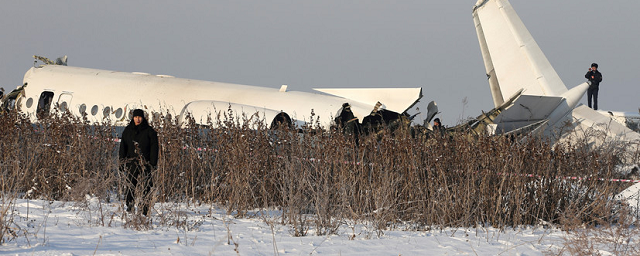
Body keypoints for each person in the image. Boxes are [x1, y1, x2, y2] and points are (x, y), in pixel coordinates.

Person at [119, 109, 159, 216]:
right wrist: (122, 162)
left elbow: (154, 148)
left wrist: (152, 164)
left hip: (146, 163)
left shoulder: (149, 131)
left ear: (143, 118)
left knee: (147, 186)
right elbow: (123, 147)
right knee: (130, 186)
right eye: (136, 117)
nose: (137, 119)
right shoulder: (128, 130)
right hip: (132, 162)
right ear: (133, 118)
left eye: (139, 117)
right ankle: (130, 206)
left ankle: (144, 208)